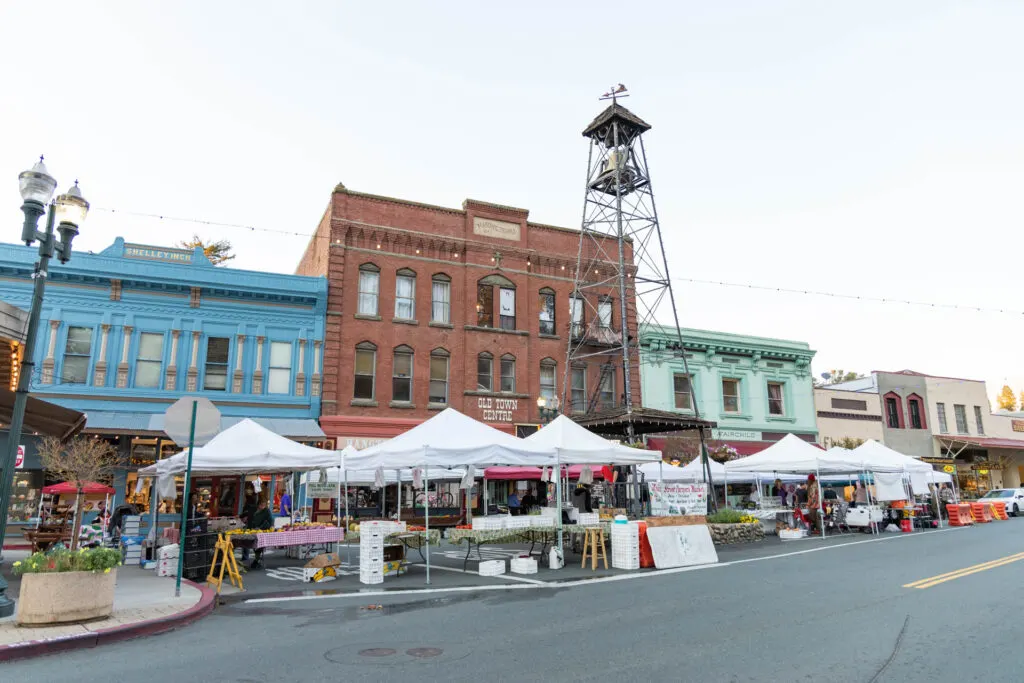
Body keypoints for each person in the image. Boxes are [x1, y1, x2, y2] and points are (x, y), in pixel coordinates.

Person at [248, 499, 274, 569]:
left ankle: (257, 559)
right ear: (258, 505)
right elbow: (249, 515)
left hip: (262, 529)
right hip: (253, 529)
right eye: (261, 505)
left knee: (259, 544)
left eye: (264, 505)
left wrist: (271, 526)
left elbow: (271, 519)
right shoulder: (255, 510)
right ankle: (257, 558)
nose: (262, 507)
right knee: (253, 544)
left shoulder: (266, 511)